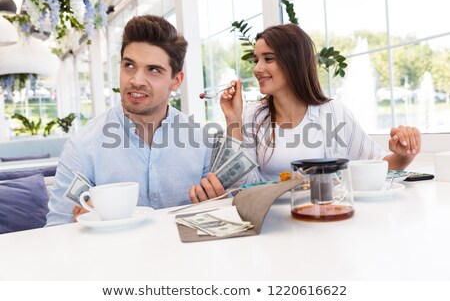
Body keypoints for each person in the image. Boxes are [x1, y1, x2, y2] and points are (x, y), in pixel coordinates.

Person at [190, 23, 421, 202]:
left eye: (268, 59)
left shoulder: (334, 113)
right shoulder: (252, 116)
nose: (258, 69)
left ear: (294, 62)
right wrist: (233, 120)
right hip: (270, 221)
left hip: (326, 216)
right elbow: (237, 188)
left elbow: (377, 166)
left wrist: (404, 155)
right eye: (256, 60)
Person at [46, 15, 211, 226]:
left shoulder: (201, 142)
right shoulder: (82, 146)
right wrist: (78, 226)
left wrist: (215, 204)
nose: (136, 80)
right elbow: (56, 229)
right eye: (129, 65)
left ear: (176, 81)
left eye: (153, 70)